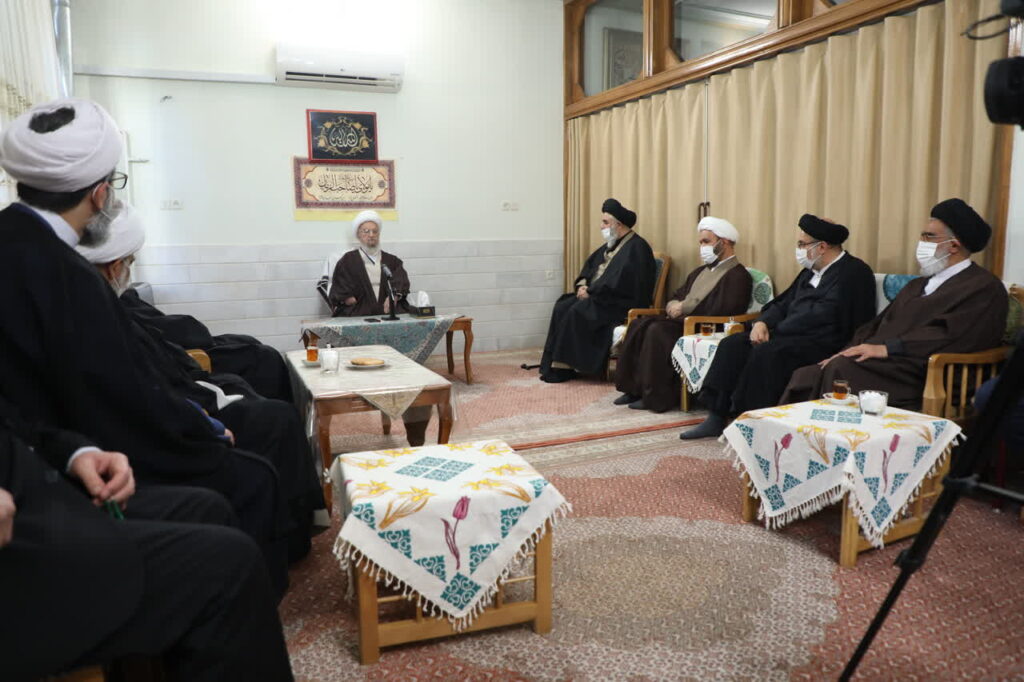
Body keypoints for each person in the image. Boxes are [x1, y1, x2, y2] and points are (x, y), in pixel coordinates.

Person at [0, 98, 288, 593]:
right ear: (99, 194)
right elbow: (124, 395)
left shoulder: (15, 241)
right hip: (60, 471)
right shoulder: (67, 274)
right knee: (250, 477)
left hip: (47, 447)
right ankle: (253, 595)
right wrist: (201, 433)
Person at [78, 205, 326, 561]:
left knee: (260, 376)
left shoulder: (110, 303)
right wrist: (206, 419)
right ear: (114, 267)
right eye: (128, 262)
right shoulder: (99, 314)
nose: (128, 270)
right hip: (175, 418)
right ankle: (293, 532)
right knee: (275, 414)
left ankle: (298, 524)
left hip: (186, 391)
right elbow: (147, 389)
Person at [0, 422, 294, 681]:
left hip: (44, 496)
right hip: (20, 544)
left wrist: (76, 454)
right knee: (229, 564)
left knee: (207, 509)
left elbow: (15, 423)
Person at [781, 199, 1009, 410]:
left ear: (954, 246)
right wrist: (845, 351)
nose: (921, 243)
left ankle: (839, 439)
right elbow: (876, 325)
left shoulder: (984, 287)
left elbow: (952, 336)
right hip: (888, 363)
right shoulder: (917, 285)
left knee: (841, 370)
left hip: (928, 371)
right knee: (806, 374)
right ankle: (795, 439)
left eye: (929, 237)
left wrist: (889, 348)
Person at [680, 214, 876, 439]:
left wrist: (778, 330)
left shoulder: (854, 272)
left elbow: (826, 316)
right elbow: (783, 303)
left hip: (823, 341)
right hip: (788, 335)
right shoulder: (810, 271)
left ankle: (751, 421)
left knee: (767, 353)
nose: (799, 250)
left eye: (802, 244)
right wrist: (762, 322)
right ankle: (716, 416)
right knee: (732, 344)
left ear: (821, 247)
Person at [614, 216, 752, 412]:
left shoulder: (738, 275)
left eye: (706, 242)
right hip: (682, 322)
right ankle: (633, 389)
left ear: (725, 242)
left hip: (703, 327)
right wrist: (673, 305)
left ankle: (655, 397)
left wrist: (684, 308)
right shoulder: (699, 271)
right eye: (700, 242)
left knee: (657, 331)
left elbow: (725, 309)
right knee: (639, 324)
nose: (702, 247)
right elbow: (677, 294)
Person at [540, 198, 657, 382]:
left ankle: (568, 366)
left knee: (577, 310)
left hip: (620, 302)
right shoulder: (610, 245)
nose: (601, 226)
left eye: (605, 222)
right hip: (600, 297)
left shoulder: (637, 248)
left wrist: (592, 292)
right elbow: (590, 268)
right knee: (562, 305)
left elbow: (624, 283)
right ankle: (556, 363)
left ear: (618, 225)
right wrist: (582, 286)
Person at [119, 286, 295, 403]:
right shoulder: (115, 308)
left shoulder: (121, 296)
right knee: (265, 357)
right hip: (187, 358)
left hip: (184, 347)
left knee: (250, 342)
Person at [325, 209, 411, 317]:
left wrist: (394, 296)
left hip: (388, 313)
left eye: (375, 231)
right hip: (358, 313)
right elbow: (339, 289)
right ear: (358, 235)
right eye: (366, 231)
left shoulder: (392, 261)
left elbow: (401, 282)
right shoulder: (347, 261)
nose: (371, 235)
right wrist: (349, 299)